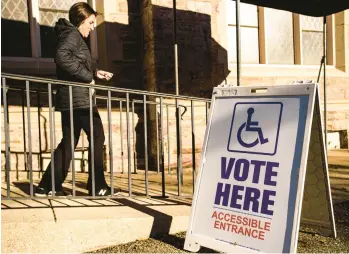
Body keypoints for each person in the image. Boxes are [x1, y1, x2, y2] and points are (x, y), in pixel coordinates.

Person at [35, 2, 115, 197]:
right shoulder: (72, 35)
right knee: (97, 136)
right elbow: (62, 57)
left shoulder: (72, 35)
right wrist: (88, 77)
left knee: (69, 141)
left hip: (71, 98)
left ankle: (47, 186)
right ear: (80, 20)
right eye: (91, 22)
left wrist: (95, 73)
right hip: (79, 101)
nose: (93, 27)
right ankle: (97, 186)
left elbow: (72, 63)